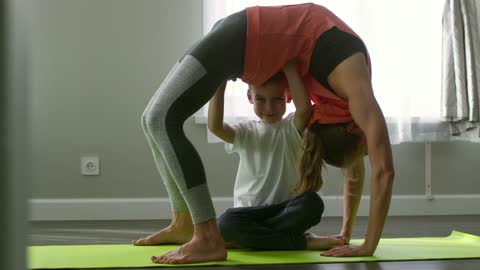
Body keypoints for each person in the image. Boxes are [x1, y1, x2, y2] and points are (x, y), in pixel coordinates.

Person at [135, 2, 394, 264]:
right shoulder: (353, 81)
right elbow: (384, 170)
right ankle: (200, 232)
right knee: (157, 120)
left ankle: (188, 224)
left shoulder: (338, 105)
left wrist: (346, 234)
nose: (365, 144)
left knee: (153, 119)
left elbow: (353, 167)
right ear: (352, 128)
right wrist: (368, 246)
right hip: (242, 36)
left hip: (240, 37)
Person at [208, 62, 343, 250]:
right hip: (249, 213)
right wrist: (220, 82)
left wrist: (288, 66)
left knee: (312, 204)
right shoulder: (246, 132)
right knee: (225, 224)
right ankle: (300, 242)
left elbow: (304, 109)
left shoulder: (291, 128)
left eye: (277, 99)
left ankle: (252, 239)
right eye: (261, 99)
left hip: (285, 210)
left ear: (288, 97)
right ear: (250, 97)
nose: (269, 107)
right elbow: (215, 126)